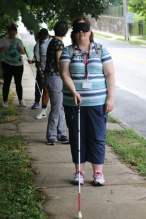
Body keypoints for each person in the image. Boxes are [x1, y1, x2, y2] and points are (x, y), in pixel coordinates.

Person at [59, 16, 115, 186]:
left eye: (84, 29)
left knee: (97, 137)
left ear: (90, 32)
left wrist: (110, 98)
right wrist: (74, 91)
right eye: (77, 29)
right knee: (77, 137)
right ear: (73, 33)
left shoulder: (101, 50)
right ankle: (79, 172)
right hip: (74, 103)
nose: (81, 32)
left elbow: (110, 74)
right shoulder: (68, 51)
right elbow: (64, 74)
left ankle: (98, 173)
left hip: (97, 103)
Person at [44, 20, 70, 145]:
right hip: (55, 78)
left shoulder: (52, 41)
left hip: (50, 77)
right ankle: (51, 136)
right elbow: (60, 63)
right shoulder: (59, 43)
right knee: (56, 108)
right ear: (65, 31)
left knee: (60, 107)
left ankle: (62, 135)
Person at [0, 23, 26, 108]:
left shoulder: (19, 41)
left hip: (18, 65)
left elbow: (23, 53)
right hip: (7, 64)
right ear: (8, 33)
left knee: (18, 83)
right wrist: (2, 48)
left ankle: (21, 101)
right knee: (7, 83)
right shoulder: (4, 40)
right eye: (10, 34)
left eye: (13, 34)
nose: (12, 36)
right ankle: (5, 101)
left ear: (16, 33)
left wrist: (21, 49)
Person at [31, 28, 53, 119]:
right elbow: (37, 59)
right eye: (43, 38)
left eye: (45, 37)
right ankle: (43, 111)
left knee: (55, 91)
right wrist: (39, 70)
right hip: (44, 70)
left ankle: (57, 111)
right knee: (45, 89)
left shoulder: (53, 41)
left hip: (53, 70)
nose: (44, 39)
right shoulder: (38, 44)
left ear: (48, 35)